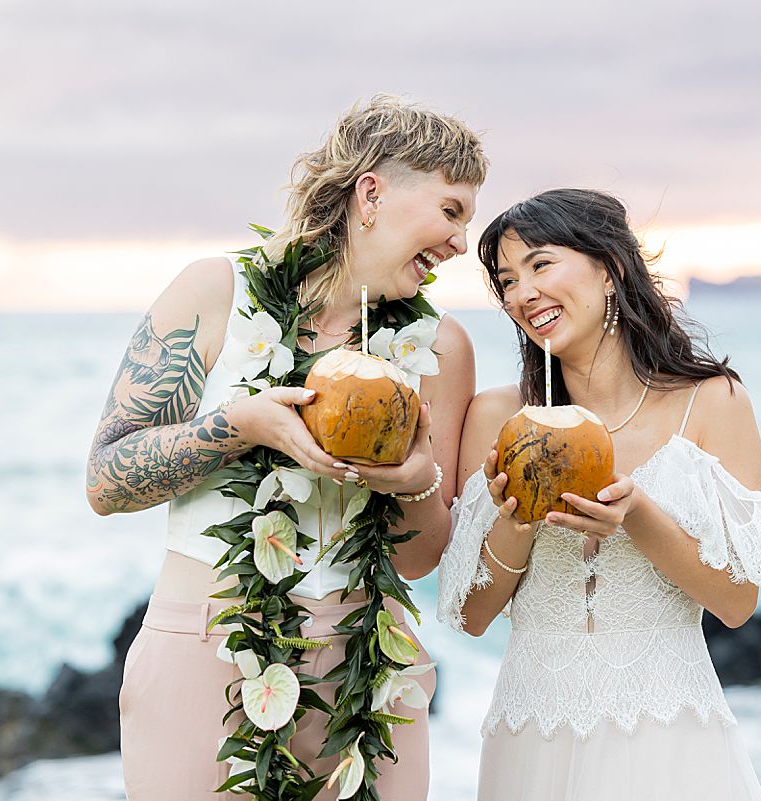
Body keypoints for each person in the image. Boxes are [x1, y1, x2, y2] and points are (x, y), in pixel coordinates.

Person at [86, 95, 487, 800]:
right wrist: (238, 427)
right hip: (207, 654)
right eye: (452, 211)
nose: (461, 243)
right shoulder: (217, 292)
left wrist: (415, 477)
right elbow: (106, 481)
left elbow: (421, 557)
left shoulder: (441, 348)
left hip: (369, 676)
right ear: (372, 192)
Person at [437, 188, 761, 800]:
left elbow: (736, 603)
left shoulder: (711, 402)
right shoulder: (498, 416)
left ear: (611, 268)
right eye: (507, 281)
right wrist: (516, 520)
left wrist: (638, 515)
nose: (521, 294)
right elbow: (471, 615)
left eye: (540, 265)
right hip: (531, 729)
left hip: (668, 730)